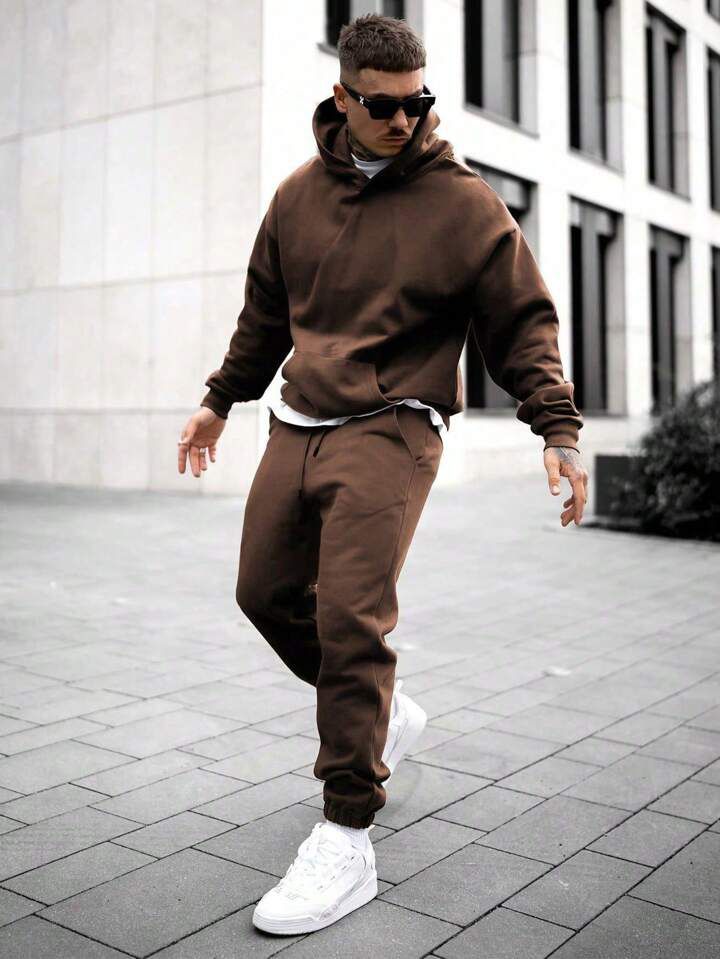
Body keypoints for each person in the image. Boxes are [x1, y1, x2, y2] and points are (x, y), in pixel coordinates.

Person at [177, 12, 588, 936]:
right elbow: (265, 315)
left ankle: (346, 831)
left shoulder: (463, 203)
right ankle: (380, 710)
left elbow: (522, 320)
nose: (404, 121)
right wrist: (219, 399)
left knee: (351, 616)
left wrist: (556, 427)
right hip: (301, 416)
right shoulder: (296, 197)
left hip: (396, 420)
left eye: (417, 103)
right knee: (262, 592)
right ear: (342, 97)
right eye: (383, 106)